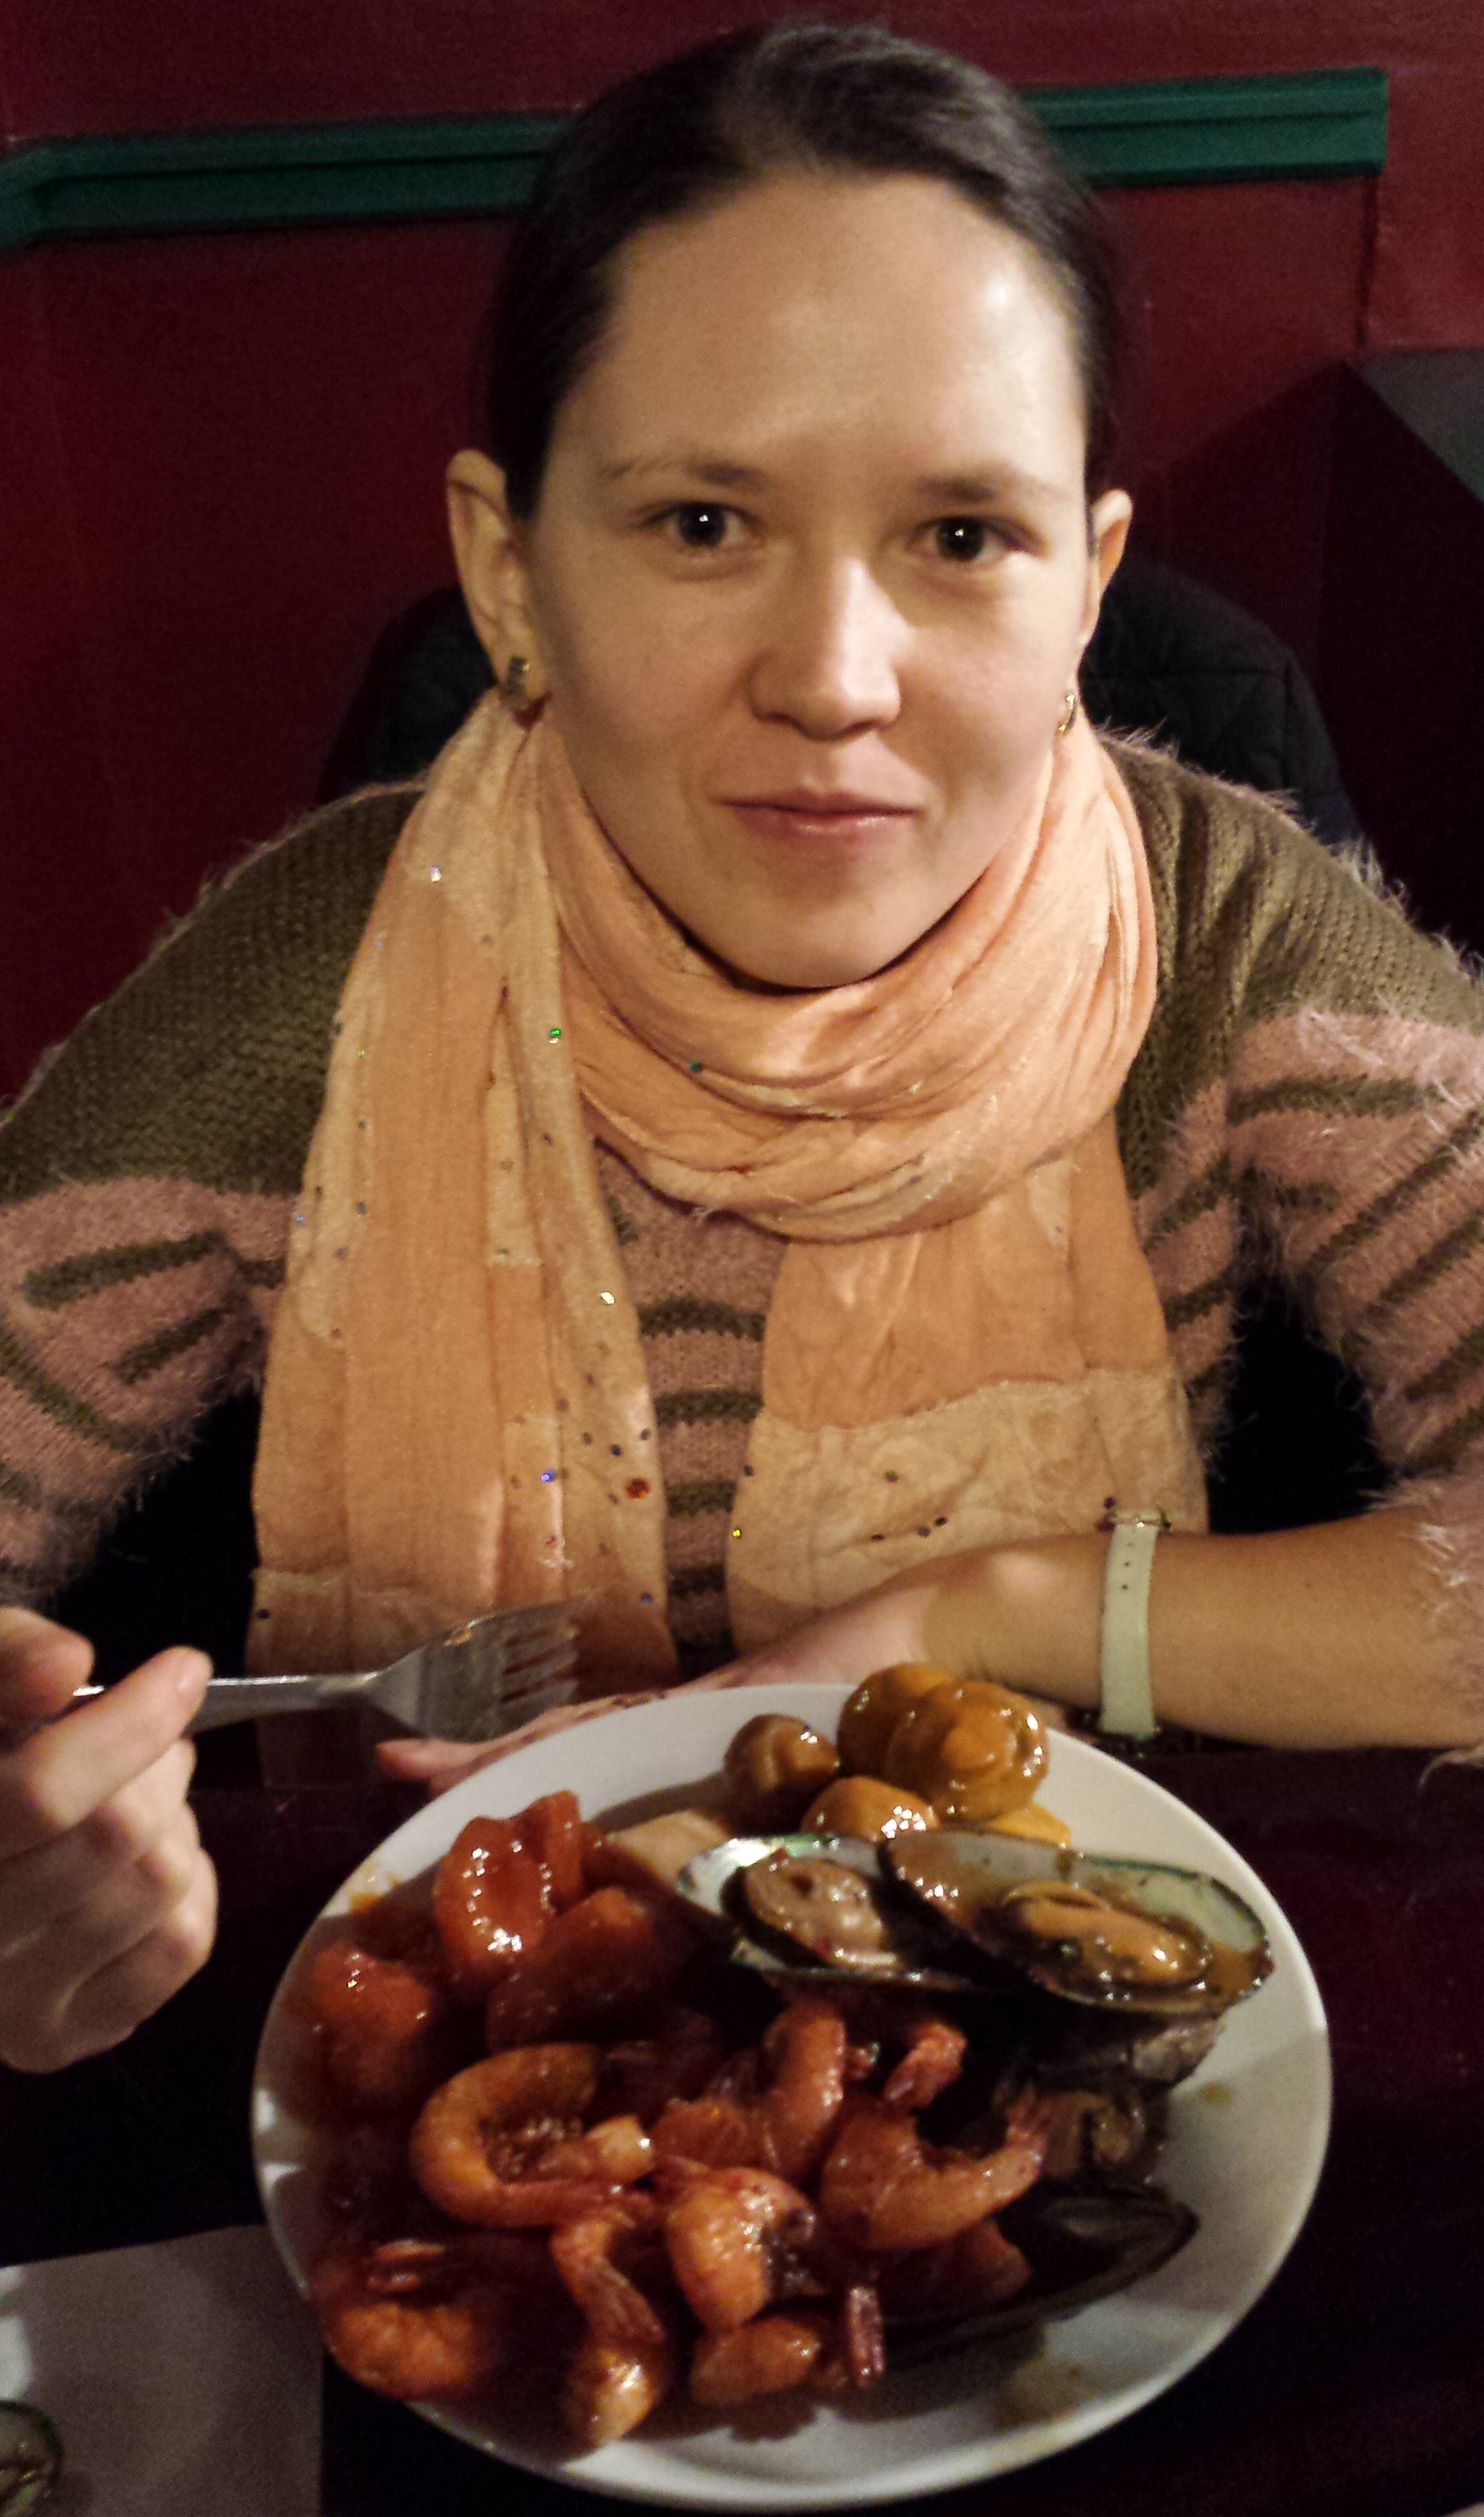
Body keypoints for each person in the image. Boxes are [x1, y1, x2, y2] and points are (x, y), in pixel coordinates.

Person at [3, 23, 1483, 2074]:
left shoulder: (1223, 937)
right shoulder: (306, 996)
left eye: (961, 535)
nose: (836, 678)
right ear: (510, 572)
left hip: (1048, 2059)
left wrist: (992, 1614)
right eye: (704, 522)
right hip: (437, 2053)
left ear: (1087, 585)